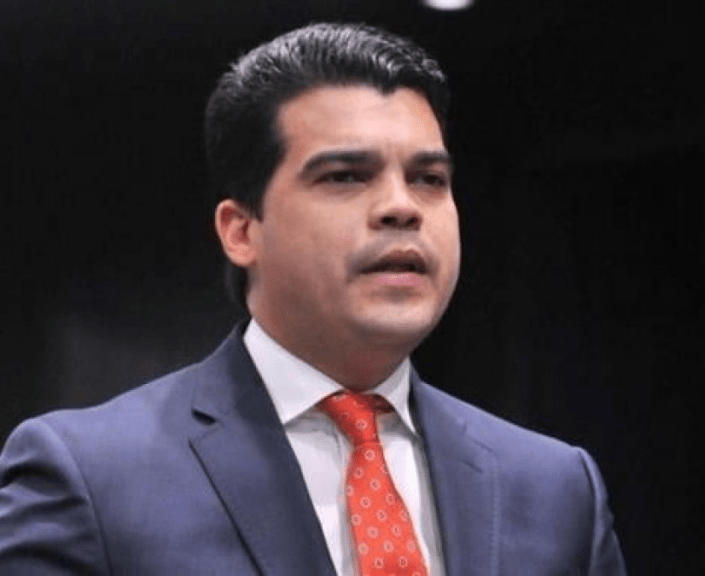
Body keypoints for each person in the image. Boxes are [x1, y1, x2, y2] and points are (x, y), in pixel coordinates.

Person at [0, 22, 627, 575]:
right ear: (241, 231)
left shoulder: (555, 488)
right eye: (346, 176)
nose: (402, 206)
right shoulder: (90, 477)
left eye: (429, 179)